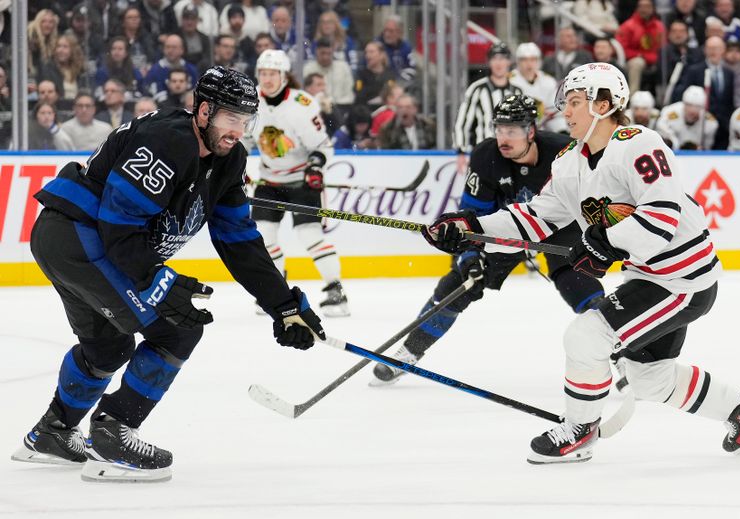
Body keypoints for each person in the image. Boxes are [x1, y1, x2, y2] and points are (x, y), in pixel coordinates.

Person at [423, 62, 740, 463]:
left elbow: (661, 217)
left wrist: (602, 243)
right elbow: (536, 218)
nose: (566, 111)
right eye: (566, 102)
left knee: (586, 336)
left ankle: (580, 430)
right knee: (650, 378)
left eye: (576, 102)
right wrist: (471, 227)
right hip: (651, 276)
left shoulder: (640, 144)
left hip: (682, 280)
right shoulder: (570, 161)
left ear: (605, 103)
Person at [12, 66, 326, 482]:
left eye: (245, 121)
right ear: (204, 110)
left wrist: (283, 306)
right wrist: (160, 282)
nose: (238, 130)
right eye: (231, 118)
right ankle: (112, 432)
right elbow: (118, 229)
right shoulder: (166, 141)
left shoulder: (229, 161)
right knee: (177, 329)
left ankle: (51, 433)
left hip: (74, 241)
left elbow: (239, 241)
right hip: (81, 239)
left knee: (108, 349)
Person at [370, 95, 605, 386]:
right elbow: (475, 215)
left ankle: (621, 357)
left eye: (513, 131)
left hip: (558, 225)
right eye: (499, 129)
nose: (503, 138)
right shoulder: (486, 155)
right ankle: (408, 353)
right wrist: (470, 258)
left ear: (531, 131)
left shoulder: (564, 151)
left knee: (579, 284)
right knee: (458, 284)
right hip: (508, 226)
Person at [245, 50, 349, 317]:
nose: (266, 79)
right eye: (263, 73)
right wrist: (237, 166)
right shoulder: (250, 101)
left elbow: (323, 147)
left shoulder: (302, 104)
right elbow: (242, 140)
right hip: (269, 180)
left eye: (272, 74)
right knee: (263, 237)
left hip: (301, 180)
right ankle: (277, 289)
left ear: (284, 75)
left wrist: (315, 167)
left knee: (309, 235)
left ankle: (335, 290)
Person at [453, 42, 522, 153]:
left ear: (509, 61)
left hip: (513, 153)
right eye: (494, 58)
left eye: (502, 58)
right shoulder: (477, 89)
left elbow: (523, 124)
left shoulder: (517, 91)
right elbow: (463, 121)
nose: (498, 63)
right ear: (489, 62)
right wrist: (461, 149)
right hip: (485, 151)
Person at [509, 42, 563, 133]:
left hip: (542, 132)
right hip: (516, 131)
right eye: (524, 60)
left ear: (539, 61)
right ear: (517, 61)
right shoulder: (509, 81)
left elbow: (554, 112)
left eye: (533, 59)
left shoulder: (548, 81)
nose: (529, 64)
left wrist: (561, 130)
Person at [656, 85, 718, 150]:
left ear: (702, 108)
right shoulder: (668, 114)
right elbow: (663, 138)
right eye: (689, 105)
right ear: (683, 103)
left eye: (697, 107)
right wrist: (673, 142)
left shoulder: (710, 123)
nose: (692, 110)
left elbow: (707, 149)